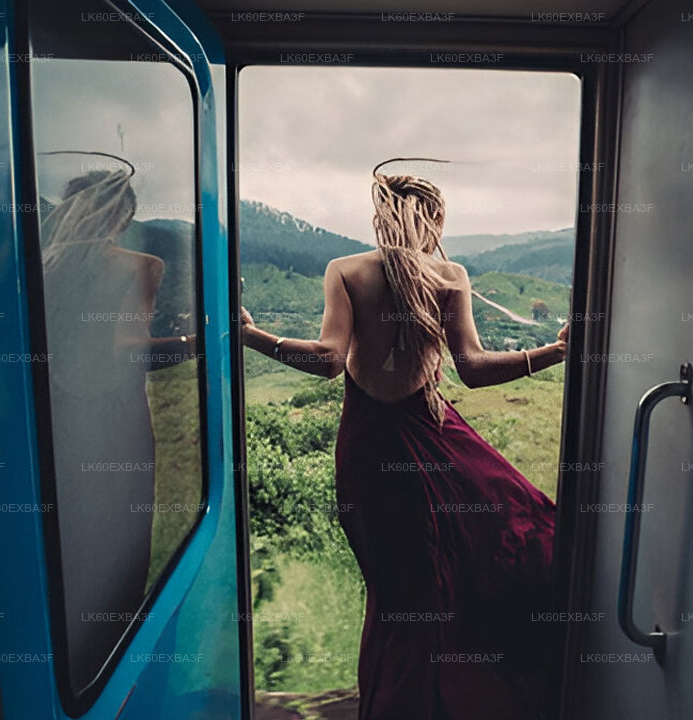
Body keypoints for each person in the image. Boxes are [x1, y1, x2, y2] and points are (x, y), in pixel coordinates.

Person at [241, 158, 568, 719]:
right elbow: (473, 367)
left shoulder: (344, 270)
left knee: (391, 597)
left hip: (368, 452)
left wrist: (251, 336)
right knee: (517, 534)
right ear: (434, 220)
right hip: (434, 440)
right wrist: (556, 352)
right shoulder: (450, 276)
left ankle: (391, 705)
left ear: (380, 217)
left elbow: (326, 362)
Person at [39, 159, 199, 691]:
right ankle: (115, 681)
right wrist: (198, 341)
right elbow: (127, 352)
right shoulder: (140, 265)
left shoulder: (43, 266)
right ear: (123, 216)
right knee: (124, 554)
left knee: (70, 547)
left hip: (59, 421)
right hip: (118, 424)